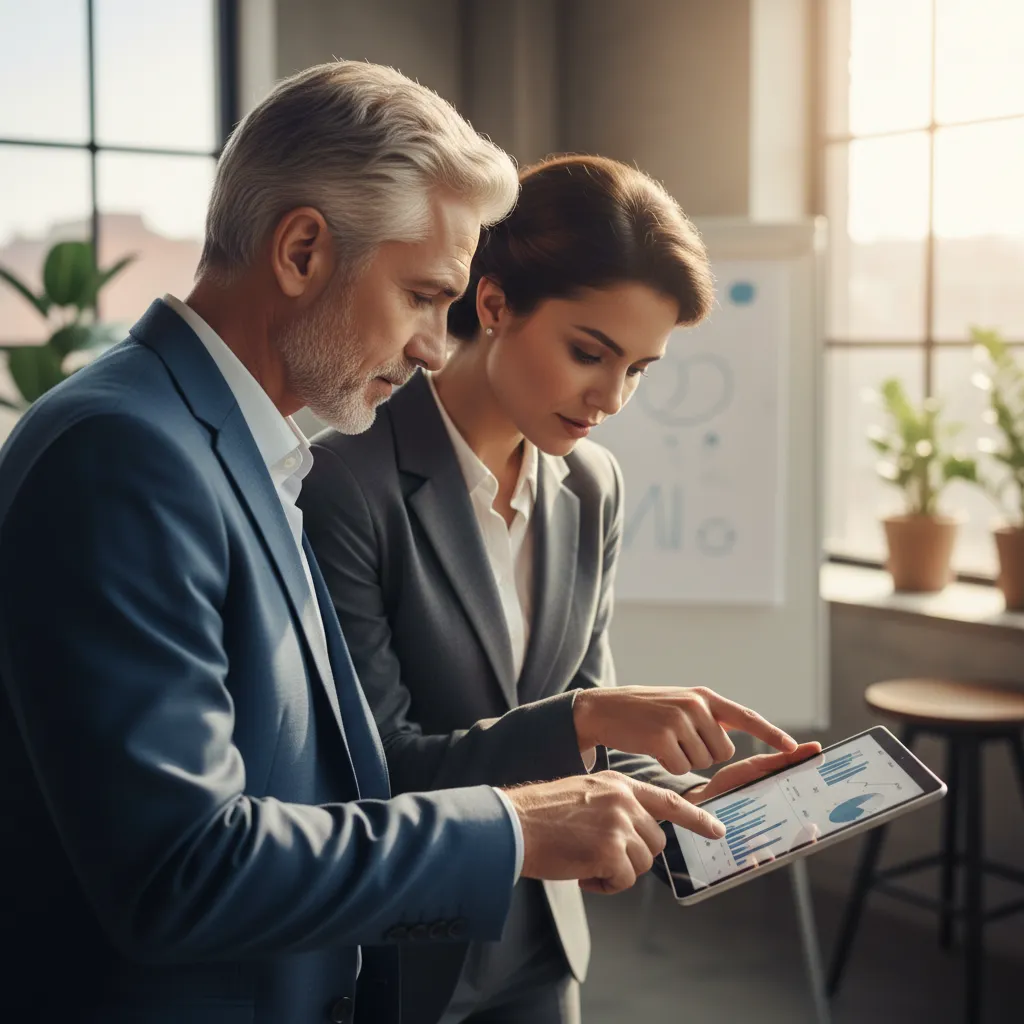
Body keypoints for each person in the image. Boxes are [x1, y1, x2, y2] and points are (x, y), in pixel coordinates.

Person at [0, 65, 747, 1024]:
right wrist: (516, 827)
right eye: (423, 296)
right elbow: (180, 870)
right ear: (303, 251)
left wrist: (682, 800)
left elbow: (327, 782)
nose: (437, 345)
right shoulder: (126, 452)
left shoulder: (243, 450)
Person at [299, 153, 821, 1024]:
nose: (610, 397)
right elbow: (378, 770)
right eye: (589, 353)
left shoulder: (591, 484)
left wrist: (691, 805)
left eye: (639, 369)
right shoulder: (345, 481)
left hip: (541, 951)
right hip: (404, 954)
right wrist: (582, 718)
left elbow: (588, 725)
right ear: (494, 304)